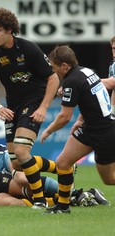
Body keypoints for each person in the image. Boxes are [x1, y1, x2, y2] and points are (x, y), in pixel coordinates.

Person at [0, 7, 60, 209]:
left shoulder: (28, 48)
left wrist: (43, 107)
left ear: (9, 30)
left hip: (33, 102)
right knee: (16, 162)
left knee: (22, 151)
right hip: (12, 107)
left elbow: (53, 79)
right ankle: (61, 168)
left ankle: (40, 201)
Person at [40, 45, 115, 214]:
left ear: (65, 66)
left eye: (54, 67)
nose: (53, 71)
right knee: (63, 162)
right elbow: (91, 99)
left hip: (104, 133)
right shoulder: (87, 71)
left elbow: (64, 116)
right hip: (90, 128)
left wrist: (48, 130)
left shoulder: (72, 81)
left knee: (109, 179)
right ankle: (63, 207)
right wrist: (81, 120)